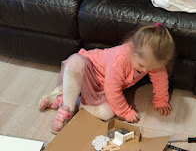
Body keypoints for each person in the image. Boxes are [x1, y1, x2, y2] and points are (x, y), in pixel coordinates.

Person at [39, 23, 175, 134]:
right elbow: (112, 89)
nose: (145, 70)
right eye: (142, 65)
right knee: (75, 62)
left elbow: (160, 78)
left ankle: (64, 97)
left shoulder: (152, 61)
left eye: (151, 68)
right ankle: (66, 109)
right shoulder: (120, 60)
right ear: (133, 50)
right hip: (86, 71)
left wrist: (160, 100)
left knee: (107, 113)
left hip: (101, 87)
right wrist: (125, 111)